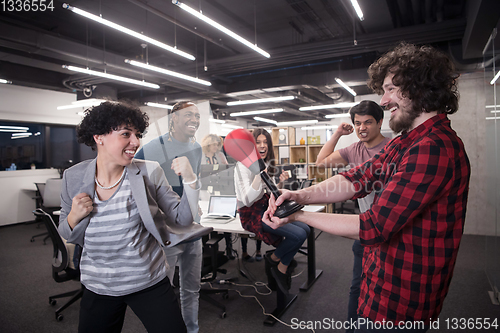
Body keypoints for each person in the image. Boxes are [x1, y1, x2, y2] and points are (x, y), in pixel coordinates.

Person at [263, 42, 470, 332]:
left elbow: (374, 225)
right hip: (380, 282)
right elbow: (356, 178)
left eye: (390, 89)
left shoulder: (433, 147)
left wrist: (297, 215)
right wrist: (300, 195)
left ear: (419, 87)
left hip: (400, 303)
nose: (383, 101)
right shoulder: (406, 141)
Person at [58, 101, 208, 333]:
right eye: (126, 134)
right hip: (99, 285)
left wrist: (190, 180)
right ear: (99, 137)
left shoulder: (149, 171)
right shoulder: (73, 177)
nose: (136, 142)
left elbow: (182, 220)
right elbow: (66, 233)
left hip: (148, 280)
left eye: (137, 134)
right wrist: (73, 217)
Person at [315, 100, 391, 332]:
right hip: (364, 230)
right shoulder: (353, 150)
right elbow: (320, 163)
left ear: (380, 122)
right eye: (357, 123)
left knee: (389, 289)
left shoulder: (393, 148)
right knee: (358, 286)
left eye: (368, 122)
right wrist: (338, 133)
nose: (362, 128)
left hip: (391, 231)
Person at [135, 101, 203, 333]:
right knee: (163, 292)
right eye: (188, 115)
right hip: (167, 233)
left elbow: (191, 184)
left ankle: (191, 330)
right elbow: (137, 186)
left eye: (197, 115)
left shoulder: (197, 148)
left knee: (192, 289)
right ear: (173, 118)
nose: (194, 119)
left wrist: (195, 203)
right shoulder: (152, 149)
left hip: (192, 229)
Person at [234, 128, 310, 292]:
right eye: (258, 142)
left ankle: (275, 259)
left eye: (265, 142)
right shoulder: (242, 166)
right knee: (299, 234)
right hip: (252, 214)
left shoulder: (266, 162)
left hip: (266, 206)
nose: (262, 146)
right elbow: (247, 199)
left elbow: (268, 192)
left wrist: (280, 184)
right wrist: (257, 173)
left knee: (305, 228)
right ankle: (280, 266)